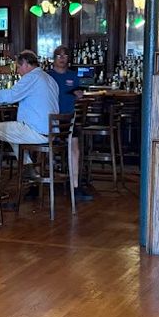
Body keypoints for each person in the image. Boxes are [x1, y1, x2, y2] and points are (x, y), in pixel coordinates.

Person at [0, 50, 58, 163]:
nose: (18, 71)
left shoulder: (31, 77)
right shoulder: (49, 78)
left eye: (18, 67)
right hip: (51, 131)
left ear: (25, 63)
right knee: (13, 131)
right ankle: (28, 168)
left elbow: (12, 95)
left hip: (37, 131)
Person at [47, 45, 92, 202]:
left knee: (74, 148)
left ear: (69, 58)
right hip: (50, 120)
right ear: (54, 58)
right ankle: (41, 182)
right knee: (45, 147)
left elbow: (80, 93)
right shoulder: (47, 76)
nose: (62, 58)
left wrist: (79, 94)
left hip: (69, 119)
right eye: (59, 55)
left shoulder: (74, 76)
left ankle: (75, 186)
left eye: (65, 55)